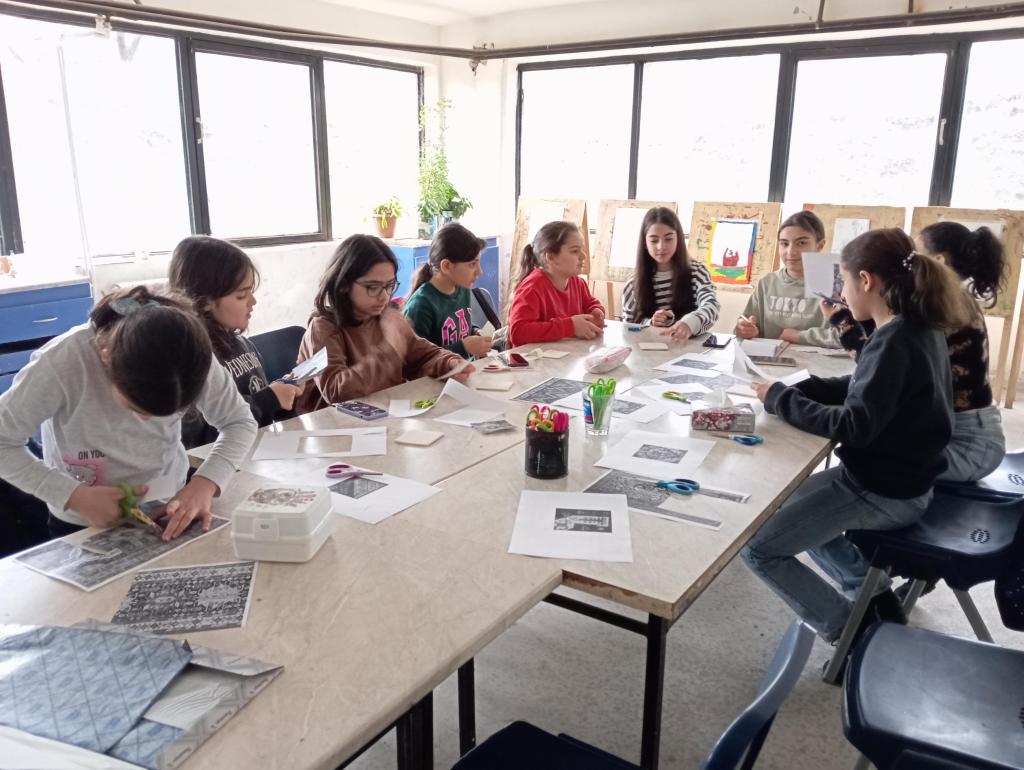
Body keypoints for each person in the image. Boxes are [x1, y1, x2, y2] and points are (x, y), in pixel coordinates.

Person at [741, 228, 969, 647]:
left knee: (756, 547)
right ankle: (876, 599)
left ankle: (855, 634)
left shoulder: (894, 341)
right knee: (782, 501)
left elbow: (853, 425)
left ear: (866, 281)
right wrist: (802, 388)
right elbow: (866, 385)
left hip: (882, 491)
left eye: (844, 282)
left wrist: (780, 399)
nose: (842, 294)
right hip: (899, 479)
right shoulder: (913, 327)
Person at [0, 287, 257, 541]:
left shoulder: (188, 350)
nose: (148, 421)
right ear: (106, 359)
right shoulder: (62, 362)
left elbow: (239, 422)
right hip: (82, 520)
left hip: (169, 505)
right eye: (137, 408)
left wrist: (205, 483)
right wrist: (74, 495)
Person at [823, 221, 1006, 482]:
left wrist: (843, 322)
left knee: (864, 457)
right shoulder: (946, 299)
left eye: (913, 255)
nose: (905, 264)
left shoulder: (942, 305)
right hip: (959, 431)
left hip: (967, 445)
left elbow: (878, 366)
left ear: (939, 261)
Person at [295, 234, 471, 413]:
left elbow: (423, 355)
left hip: (382, 414)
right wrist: (388, 351)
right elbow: (336, 392)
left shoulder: (385, 316)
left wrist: (449, 362)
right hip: (332, 424)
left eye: (389, 286)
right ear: (344, 284)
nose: (385, 296)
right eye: (373, 287)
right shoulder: (322, 328)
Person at [168, 235, 302, 448]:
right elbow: (200, 438)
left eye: (251, 292)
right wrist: (270, 399)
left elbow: (263, 418)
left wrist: (284, 397)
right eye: (241, 295)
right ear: (204, 301)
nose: (253, 301)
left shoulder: (243, 345)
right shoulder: (192, 360)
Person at [734, 211, 837, 347]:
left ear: (820, 245)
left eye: (801, 243)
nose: (791, 251)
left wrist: (799, 336)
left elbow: (848, 335)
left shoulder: (833, 283)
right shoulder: (767, 283)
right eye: (784, 244)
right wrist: (744, 329)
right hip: (768, 359)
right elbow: (746, 324)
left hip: (817, 359)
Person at [621, 206, 719, 341]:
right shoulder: (632, 285)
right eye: (654, 240)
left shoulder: (697, 272)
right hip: (649, 352)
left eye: (668, 239)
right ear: (644, 243)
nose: (661, 246)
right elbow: (628, 329)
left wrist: (689, 323)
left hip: (691, 351)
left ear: (678, 239)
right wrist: (651, 323)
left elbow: (711, 305)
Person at [507, 221, 605, 347]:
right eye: (575, 251)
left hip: (566, 356)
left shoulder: (578, 283)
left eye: (582, 249)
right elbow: (518, 332)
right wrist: (570, 326)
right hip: (532, 359)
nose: (583, 256)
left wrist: (595, 310)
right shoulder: (532, 288)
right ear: (551, 257)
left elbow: (590, 303)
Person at [402, 223, 493, 359]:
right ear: (447, 266)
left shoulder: (463, 289)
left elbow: (460, 329)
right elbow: (416, 360)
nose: (480, 271)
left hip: (464, 370)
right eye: (472, 264)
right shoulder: (420, 306)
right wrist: (464, 347)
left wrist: (474, 332)